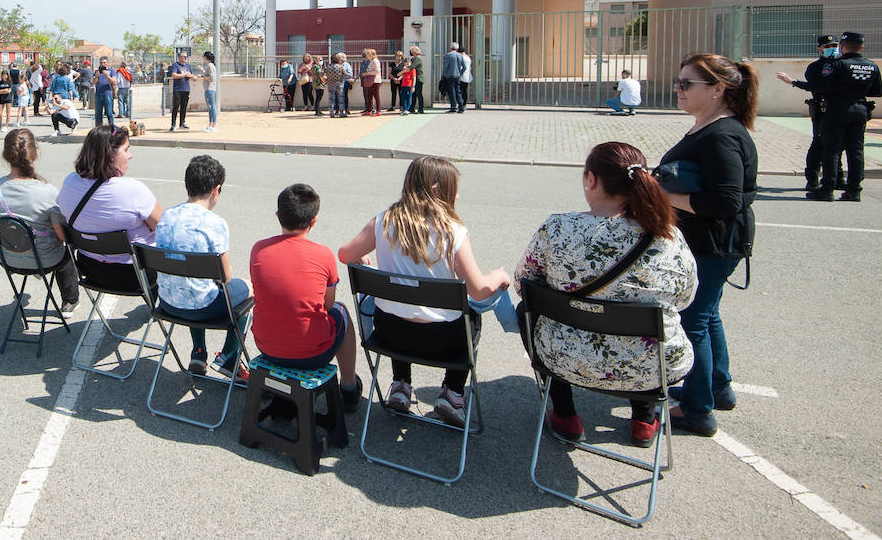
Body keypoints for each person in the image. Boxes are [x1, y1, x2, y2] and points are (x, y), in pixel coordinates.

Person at [515, 142, 697, 447]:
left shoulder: (558, 227)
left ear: (590, 180)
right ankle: (643, 416)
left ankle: (565, 413)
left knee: (527, 309)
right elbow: (685, 298)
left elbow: (524, 283)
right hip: (651, 369)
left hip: (564, 357)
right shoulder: (667, 234)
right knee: (653, 320)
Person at [339, 156, 509, 426]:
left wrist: (360, 259)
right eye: (453, 189)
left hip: (389, 336)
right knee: (472, 317)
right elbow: (479, 291)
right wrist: (498, 276)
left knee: (397, 306)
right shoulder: (454, 232)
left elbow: (345, 254)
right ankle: (452, 394)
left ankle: (401, 385)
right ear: (436, 191)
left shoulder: (382, 221)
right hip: (444, 343)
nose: (458, 195)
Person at [659, 52, 759, 436]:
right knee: (708, 314)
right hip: (709, 244)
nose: (678, 89)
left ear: (718, 89)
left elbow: (726, 201)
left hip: (711, 245)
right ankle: (719, 387)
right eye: (678, 82)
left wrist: (663, 197)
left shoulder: (722, 135)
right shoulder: (709, 126)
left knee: (692, 322)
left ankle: (697, 409)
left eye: (687, 84)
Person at [250, 184, 363, 410]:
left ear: (278, 216)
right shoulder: (324, 254)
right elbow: (327, 304)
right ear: (314, 222)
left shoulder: (258, 249)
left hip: (266, 347)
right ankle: (349, 387)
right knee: (341, 312)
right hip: (313, 354)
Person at [156, 155, 250, 380]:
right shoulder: (215, 223)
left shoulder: (167, 216)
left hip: (167, 303)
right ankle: (229, 355)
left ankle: (198, 352)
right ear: (216, 190)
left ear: (187, 185)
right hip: (201, 308)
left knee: (190, 282)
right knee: (248, 289)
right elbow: (225, 277)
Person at [0, 129, 79, 314]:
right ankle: (70, 300)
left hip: (7, 258)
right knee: (68, 250)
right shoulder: (47, 191)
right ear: (35, 153)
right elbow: (62, 236)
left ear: (5, 155)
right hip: (45, 259)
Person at [55, 126, 162, 292]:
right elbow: (163, 229)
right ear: (110, 155)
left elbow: (64, 216)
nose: (130, 155)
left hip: (89, 269)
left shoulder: (70, 182)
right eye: (126, 150)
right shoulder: (133, 190)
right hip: (135, 274)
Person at [805, 32, 882, 202]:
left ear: (841, 46)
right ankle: (854, 190)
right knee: (856, 151)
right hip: (860, 109)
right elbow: (877, 92)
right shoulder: (872, 66)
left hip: (837, 110)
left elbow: (820, 85)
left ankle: (827, 189)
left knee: (831, 149)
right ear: (861, 47)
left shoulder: (837, 64)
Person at [775, 35, 843, 193]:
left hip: (839, 110)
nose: (831, 49)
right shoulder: (815, 68)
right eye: (827, 47)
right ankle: (812, 179)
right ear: (819, 49)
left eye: (834, 46)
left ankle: (838, 179)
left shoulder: (842, 64)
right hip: (822, 109)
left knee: (837, 146)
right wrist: (793, 82)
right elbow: (816, 86)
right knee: (819, 144)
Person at [169, 52, 195, 132]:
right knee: (176, 107)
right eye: (184, 57)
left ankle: (182, 123)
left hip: (186, 89)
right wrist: (184, 75)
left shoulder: (188, 66)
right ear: (180, 57)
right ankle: (173, 124)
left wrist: (190, 75)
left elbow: (192, 76)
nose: (186, 58)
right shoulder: (176, 65)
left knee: (184, 107)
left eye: (186, 57)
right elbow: (174, 75)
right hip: (178, 89)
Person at [322, 52, 351, 118]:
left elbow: (321, 74)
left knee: (331, 99)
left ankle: (331, 113)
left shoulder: (328, 66)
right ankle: (341, 113)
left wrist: (325, 80)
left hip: (330, 84)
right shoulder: (340, 67)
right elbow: (346, 74)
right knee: (341, 98)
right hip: (339, 84)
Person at [440, 44, 467, 114]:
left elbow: (446, 66)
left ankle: (453, 107)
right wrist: (459, 73)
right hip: (457, 76)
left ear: (450, 48)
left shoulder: (448, 55)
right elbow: (464, 67)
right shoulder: (460, 55)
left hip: (450, 76)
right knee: (458, 91)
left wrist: (443, 75)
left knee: (451, 92)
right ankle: (461, 107)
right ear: (457, 48)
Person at [199, 50, 220, 133]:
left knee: (212, 107)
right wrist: (203, 71)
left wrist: (201, 76)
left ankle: (213, 125)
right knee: (210, 107)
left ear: (206, 57)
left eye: (204, 57)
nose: (203, 58)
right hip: (209, 89)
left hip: (209, 89)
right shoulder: (210, 66)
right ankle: (211, 124)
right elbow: (208, 75)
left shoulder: (210, 66)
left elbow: (211, 78)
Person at [93, 59, 117, 130]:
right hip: (98, 94)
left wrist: (107, 76)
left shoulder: (111, 71)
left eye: (104, 62)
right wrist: (97, 76)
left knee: (109, 113)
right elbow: (94, 82)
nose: (102, 64)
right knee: (98, 114)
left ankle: (112, 129)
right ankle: (98, 129)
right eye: (101, 63)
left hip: (108, 94)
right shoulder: (97, 71)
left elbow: (114, 82)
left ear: (107, 63)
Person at [359, 48, 382, 116]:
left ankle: (378, 111)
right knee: (369, 96)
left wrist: (367, 73)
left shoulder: (375, 61)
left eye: (368, 54)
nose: (367, 55)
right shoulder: (371, 61)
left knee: (376, 96)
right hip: (371, 81)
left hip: (375, 80)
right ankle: (369, 110)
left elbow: (377, 71)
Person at [388, 50, 406, 115]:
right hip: (393, 80)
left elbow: (404, 73)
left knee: (401, 93)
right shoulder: (392, 64)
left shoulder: (403, 64)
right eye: (397, 56)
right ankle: (393, 106)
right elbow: (389, 73)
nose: (398, 57)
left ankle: (401, 106)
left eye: (400, 56)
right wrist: (394, 79)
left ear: (402, 57)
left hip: (401, 80)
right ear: (395, 57)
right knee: (393, 93)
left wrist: (399, 78)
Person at [409, 45, 426, 114]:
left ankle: (421, 109)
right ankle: (412, 108)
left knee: (419, 93)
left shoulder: (418, 59)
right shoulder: (413, 59)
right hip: (414, 78)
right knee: (414, 94)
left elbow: (412, 67)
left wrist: (403, 71)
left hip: (419, 78)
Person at [457, 44, 472, 110]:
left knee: (460, 91)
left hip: (462, 77)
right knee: (465, 91)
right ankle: (464, 104)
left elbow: (461, 67)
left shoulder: (462, 58)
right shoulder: (468, 57)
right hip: (467, 76)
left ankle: (461, 104)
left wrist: (459, 74)